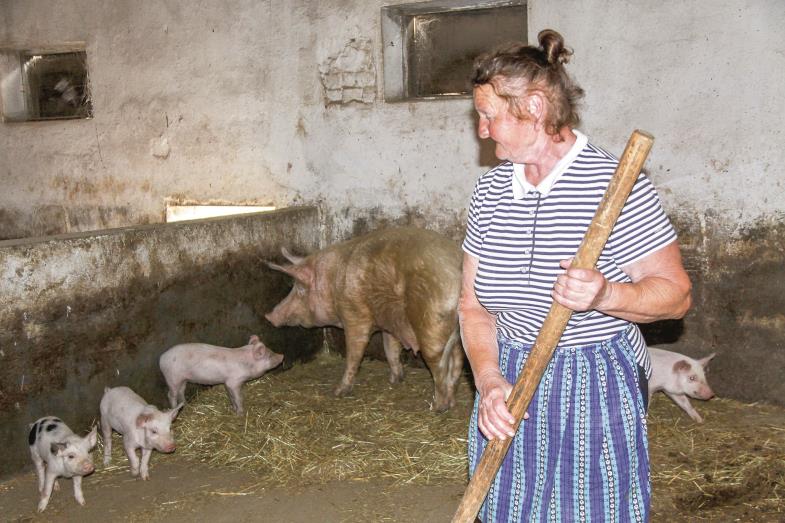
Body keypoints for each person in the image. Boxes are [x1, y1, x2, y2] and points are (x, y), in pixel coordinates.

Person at [459, 29, 692, 522]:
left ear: (535, 108)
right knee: (507, 507)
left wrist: (607, 293)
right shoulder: (490, 194)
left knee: (587, 510)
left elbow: (675, 297)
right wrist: (488, 381)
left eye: (488, 115)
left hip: (592, 378)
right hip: (508, 373)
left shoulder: (615, 186)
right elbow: (474, 306)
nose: (481, 129)